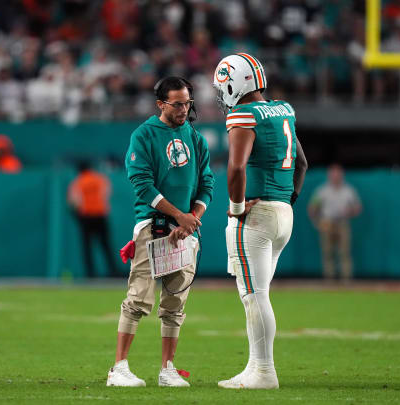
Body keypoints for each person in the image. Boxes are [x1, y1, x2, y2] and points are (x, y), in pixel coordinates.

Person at [106, 76, 214, 388]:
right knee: (138, 298)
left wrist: (192, 218)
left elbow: (208, 183)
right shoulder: (144, 135)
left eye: (187, 103)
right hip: (152, 227)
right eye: (177, 103)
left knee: (175, 304)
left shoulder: (195, 137)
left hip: (184, 231)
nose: (183, 109)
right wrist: (179, 216)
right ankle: (119, 367)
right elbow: (141, 183)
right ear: (160, 104)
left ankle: (168, 368)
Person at [213, 53, 308, 389]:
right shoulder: (283, 109)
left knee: (254, 296)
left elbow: (236, 168)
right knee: (260, 292)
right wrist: (287, 200)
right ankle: (255, 368)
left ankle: (265, 372)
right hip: (284, 213)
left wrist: (238, 208)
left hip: (256, 217)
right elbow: (302, 163)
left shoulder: (244, 113)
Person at [308, 164, 362, 281]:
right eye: (333, 174)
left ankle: (346, 281)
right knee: (328, 253)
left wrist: (350, 211)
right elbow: (312, 207)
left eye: (338, 174)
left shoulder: (349, 190)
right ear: (329, 175)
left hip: (342, 223)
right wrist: (317, 222)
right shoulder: (322, 190)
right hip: (327, 223)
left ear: (342, 175)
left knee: (344, 252)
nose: (335, 177)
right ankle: (329, 280)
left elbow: (358, 208)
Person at [67, 161, 120, 278]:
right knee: (106, 245)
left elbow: (74, 201)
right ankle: (113, 271)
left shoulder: (78, 182)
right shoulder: (100, 179)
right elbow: (106, 193)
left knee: (87, 247)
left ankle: (90, 274)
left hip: (86, 216)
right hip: (101, 215)